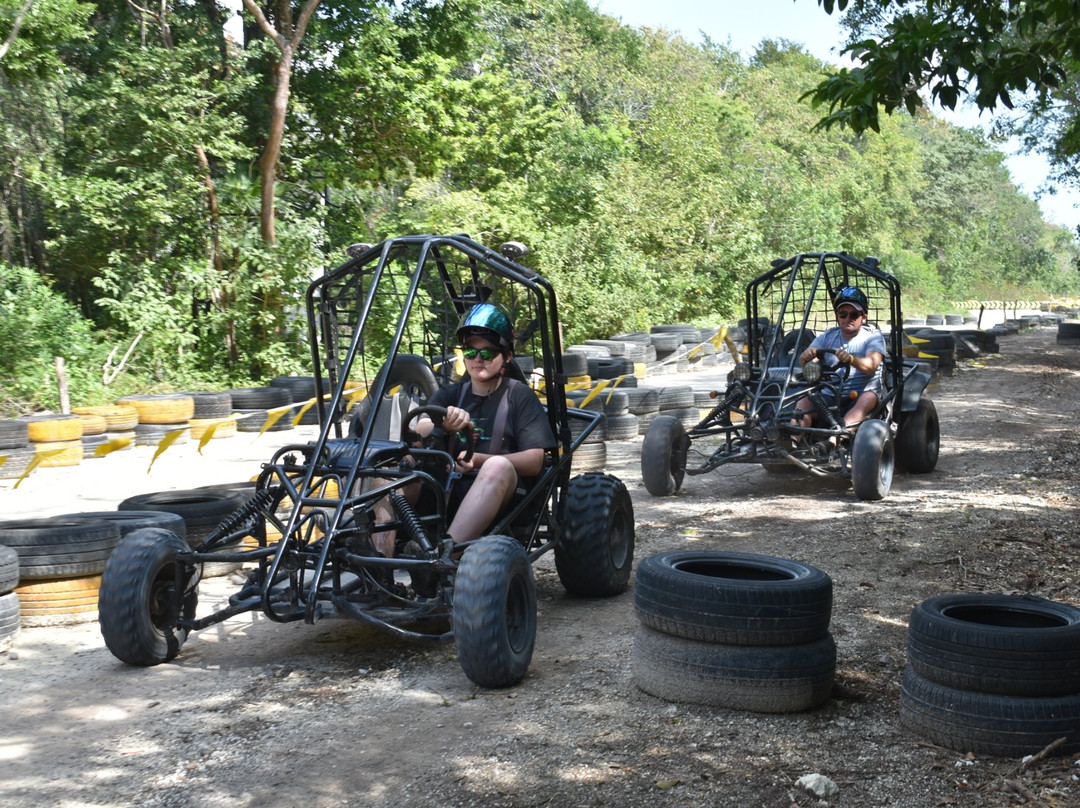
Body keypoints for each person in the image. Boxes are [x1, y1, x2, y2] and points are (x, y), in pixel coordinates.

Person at [371, 302, 556, 559]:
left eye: (488, 353)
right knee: (391, 468)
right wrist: (442, 424)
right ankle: (380, 560)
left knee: (497, 466)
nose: (478, 359)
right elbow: (422, 424)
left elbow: (535, 461)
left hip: (503, 495)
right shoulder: (451, 394)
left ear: (507, 356)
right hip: (445, 490)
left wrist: (478, 460)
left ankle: (444, 558)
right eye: (470, 351)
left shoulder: (519, 396)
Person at [794, 286, 886, 429]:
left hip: (861, 393)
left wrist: (851, 359)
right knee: (803, 401)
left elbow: (871, 365)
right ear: (838, 316)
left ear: (863, 317)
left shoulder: (873, 336)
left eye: (854, 315)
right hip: (830, 394)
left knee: (867, 398)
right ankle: (792, 443)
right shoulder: (829, 336)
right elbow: (805, 361)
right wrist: (807, 357)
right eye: (843, 314)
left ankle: (832, 442)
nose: (847, 318)